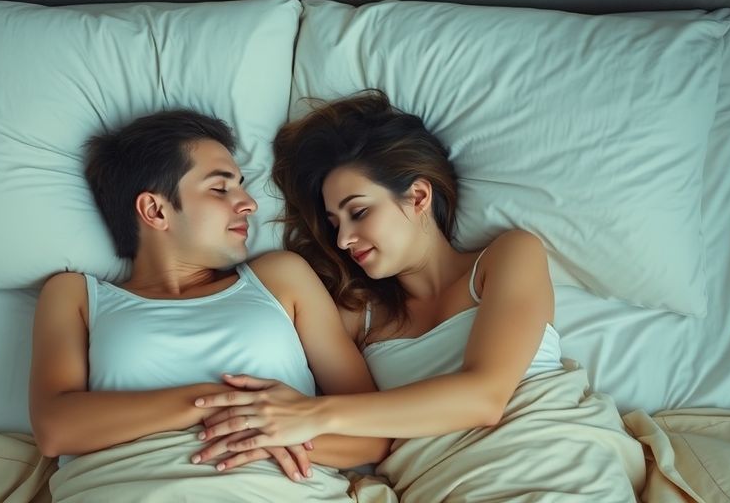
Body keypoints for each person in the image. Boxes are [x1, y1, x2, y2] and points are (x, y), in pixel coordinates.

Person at [191, 91, 646, 501]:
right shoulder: (356, 318)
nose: (345, 238)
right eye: (334, 223)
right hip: (446, 487)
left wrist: (315, 414)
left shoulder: (505, 257)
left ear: (418, 195)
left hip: (556, 467)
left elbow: (484, 397)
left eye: (359, 212)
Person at [27, 109, 390, 501]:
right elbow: (55, 429)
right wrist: (216, 407)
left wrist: (266, 433)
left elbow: (373, 434)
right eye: (220, 189)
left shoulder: (281, 278)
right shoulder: (75, 295)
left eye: (242, 186)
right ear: (155, 210)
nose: (248, 203)